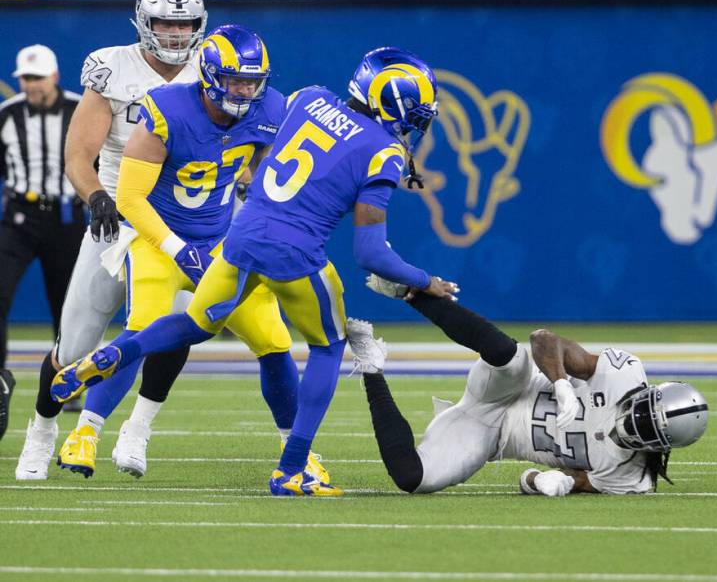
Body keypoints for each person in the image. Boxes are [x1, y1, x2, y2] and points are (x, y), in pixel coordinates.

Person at [53, 47, 459, 496]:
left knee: (193, 323)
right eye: (416, 115)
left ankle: (114, 354)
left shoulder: (309, 99)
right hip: (295, 253)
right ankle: (291, 467)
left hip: (241, 236)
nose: (417, 125)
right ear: (393, 103)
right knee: (328, 346)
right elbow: (371, 254)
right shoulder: (384, 152)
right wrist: (425, 281)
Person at [52, 25, 330, 488]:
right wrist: (178, 250)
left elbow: (265, 166)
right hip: (159, 239)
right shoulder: (166, 110)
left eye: (253, 80)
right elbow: (132, 199)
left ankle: (296, 453)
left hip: (223, 240)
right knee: (143, 329)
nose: (246, 90)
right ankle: (85, 433)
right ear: (209, 75)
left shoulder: (269, 108)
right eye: (236, 80)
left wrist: (252, 180)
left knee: (273, 339)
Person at [14, 0, 206, 479]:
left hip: (183, 224)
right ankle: (41, 428)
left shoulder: (212, 68)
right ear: (145, 21)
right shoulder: (111, 68)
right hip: (119, 221)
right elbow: (78, 154)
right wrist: (96, 194)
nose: (175, 34)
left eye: (184, 23)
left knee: (177, 327)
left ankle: (137, 429)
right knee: (76, 346)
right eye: (166, 22)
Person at [345, 280, 709, 495]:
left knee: (413, 479)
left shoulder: (631, 477)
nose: (633, 423)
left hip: (491, 435)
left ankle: (370, 363)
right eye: (642, 410)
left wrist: (542, 481)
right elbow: (542, 339)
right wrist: (562, 383)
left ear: (660, 447)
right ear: (650, 391)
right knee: (508, 353)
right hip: (510, 389)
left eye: (646, 429)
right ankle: (411, 292)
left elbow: (557, 480)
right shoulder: (622, 373)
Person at [0, 45, 85, 441]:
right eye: (25, 78)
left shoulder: (81, 109)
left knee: (67, 303)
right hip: (19, 215)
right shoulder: (8, 114)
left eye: (36, 78)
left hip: (67, 216)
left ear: (53, 76)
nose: (30, 85)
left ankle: (67, 380)